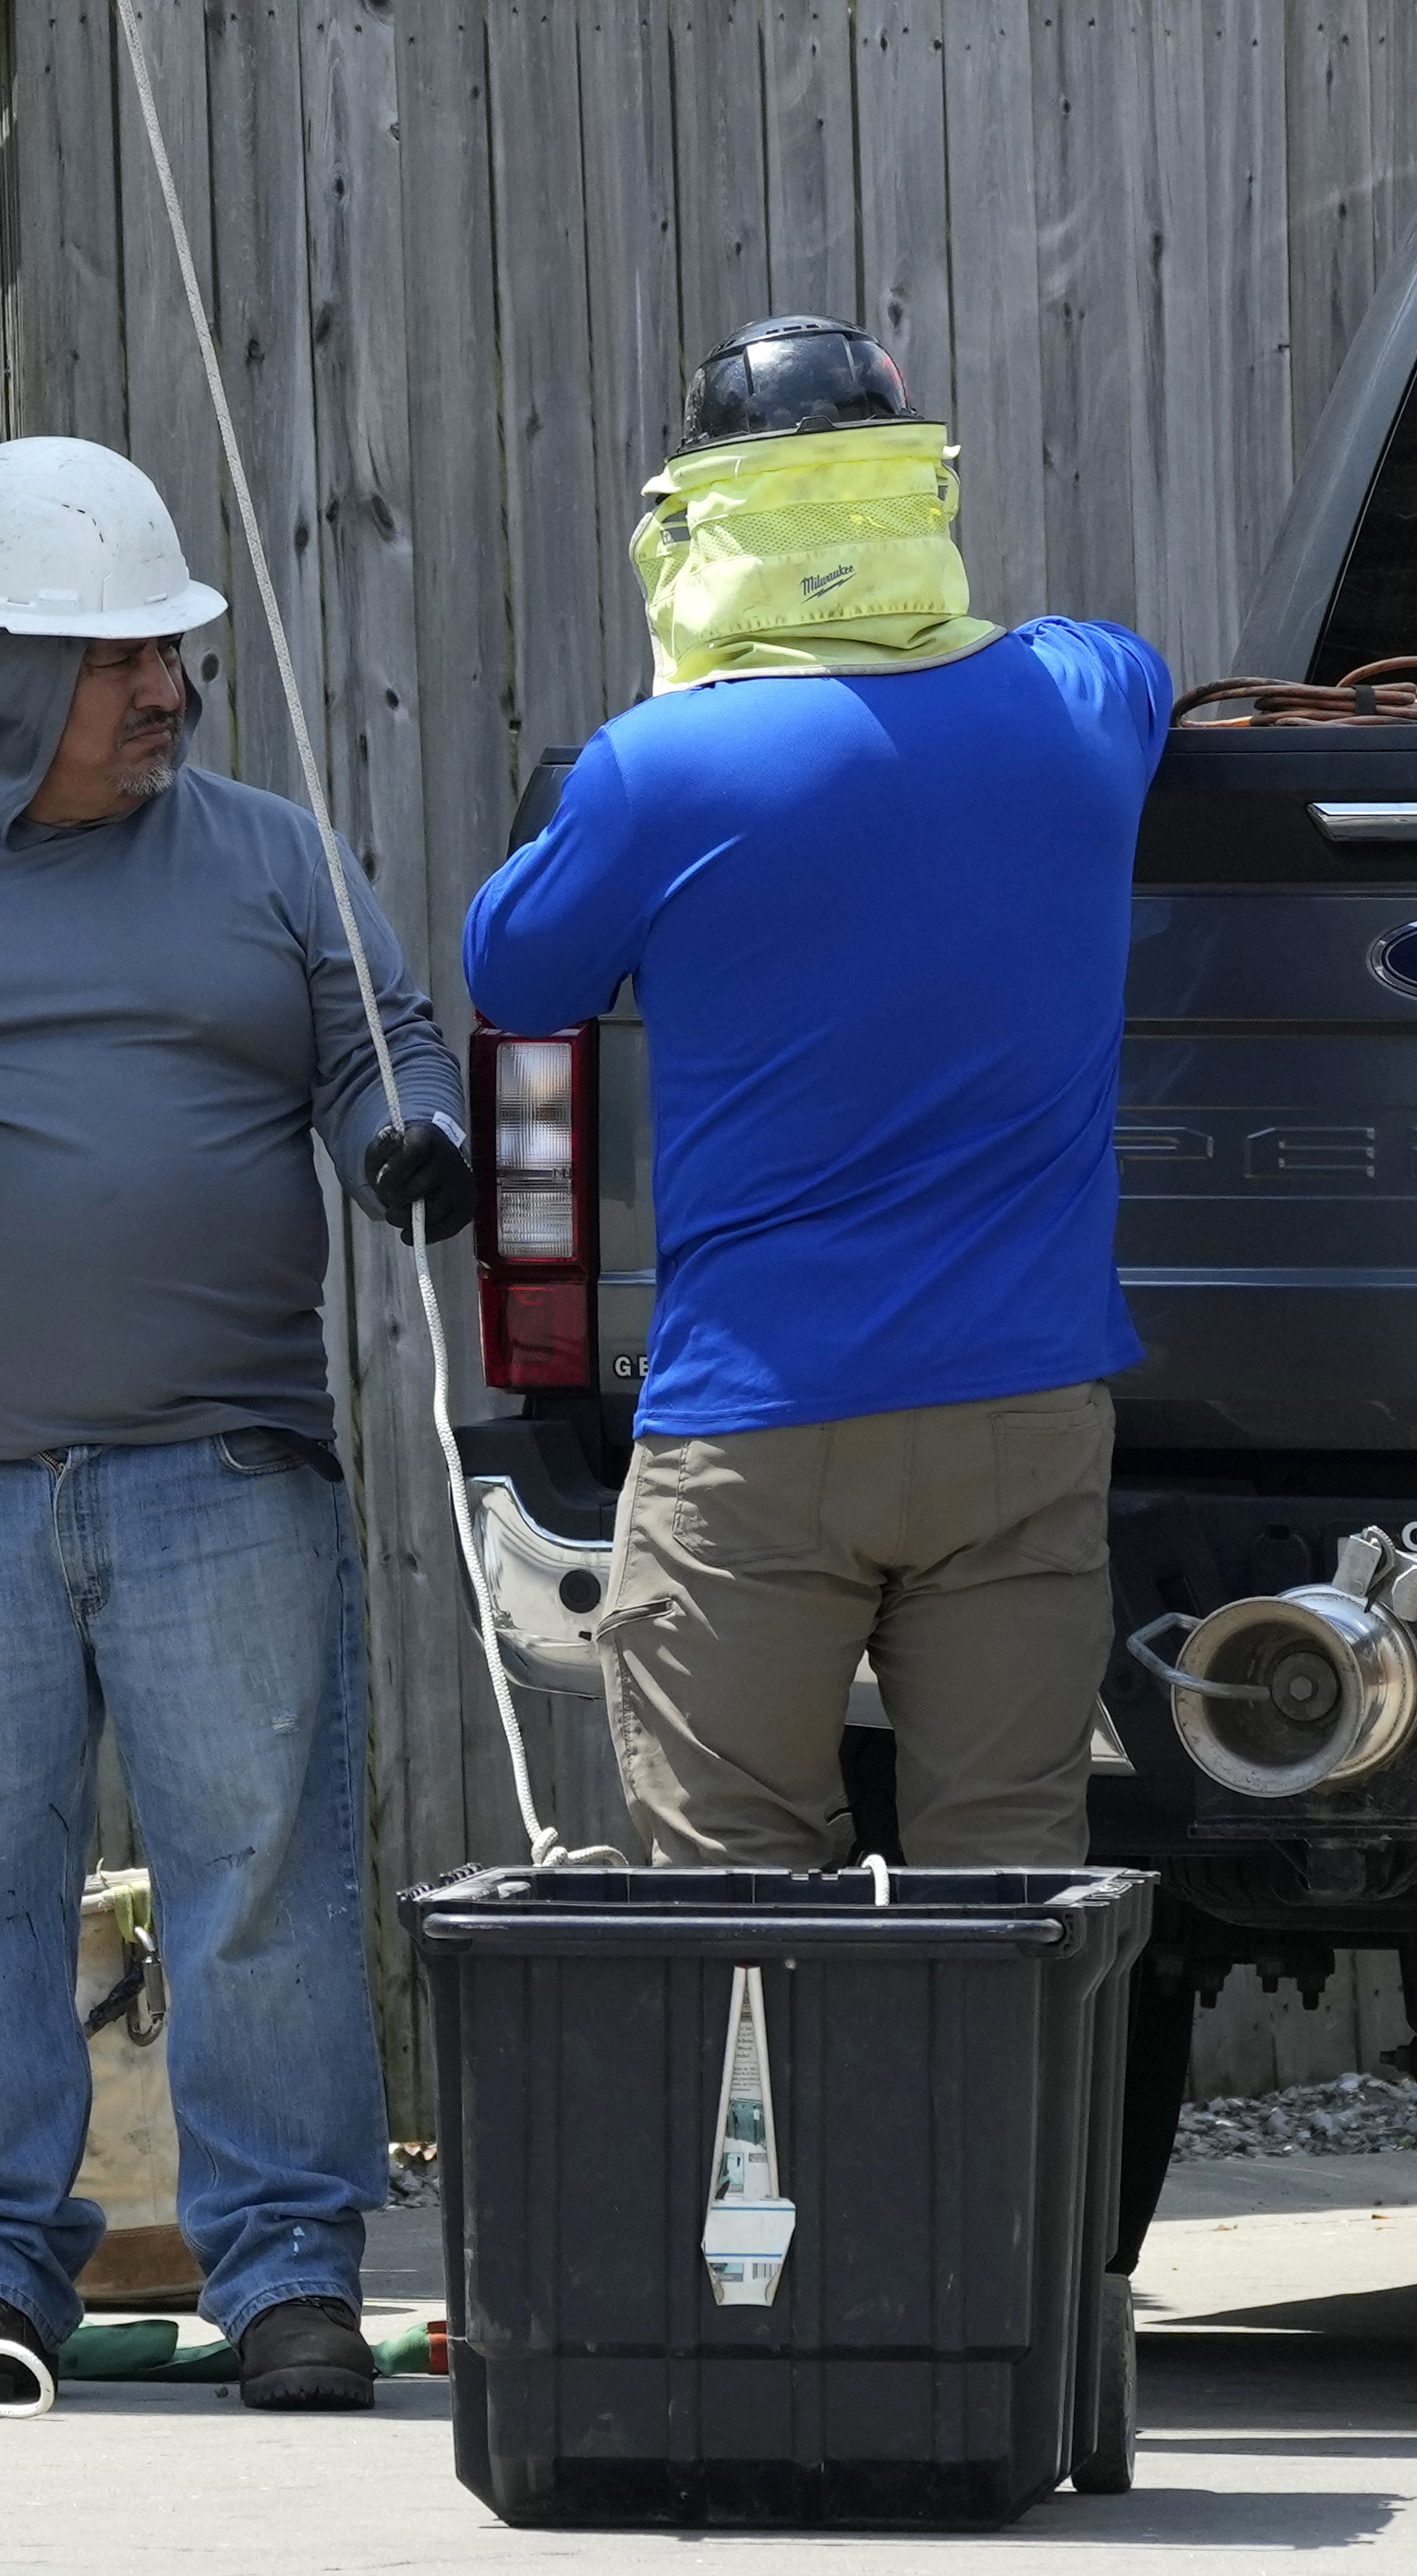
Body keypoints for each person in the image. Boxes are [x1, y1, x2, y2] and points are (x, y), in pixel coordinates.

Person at [0, 435, 470, 2412]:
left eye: (173, 652)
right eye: (122, 660)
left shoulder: (271, 853)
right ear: (10, 672)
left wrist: (405, 1149)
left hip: (225, 1468)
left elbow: (384, 1044)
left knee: (261, 1881)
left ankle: (287, 2272)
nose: (169, 690)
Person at [466, 315, 1167, 1871]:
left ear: (704, 524)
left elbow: (513, 976)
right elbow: (1127, 660)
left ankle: (778, 2126)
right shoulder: (1077, 704)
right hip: (1018, 1407)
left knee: (729, 1877)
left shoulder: (658, 770)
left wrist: (671, 713)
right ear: (918, 496)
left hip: (759, 1429)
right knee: (1013, 1885)